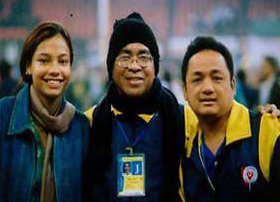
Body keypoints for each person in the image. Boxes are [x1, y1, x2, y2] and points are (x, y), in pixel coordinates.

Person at [85, 12, 184, 202]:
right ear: (110, 66)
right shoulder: (91, 121)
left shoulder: (182, 118)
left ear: (155, 66)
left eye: (144, 57)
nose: (134, 66)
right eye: (125, 56)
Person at [179, 36, 280, 202]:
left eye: (217, 78)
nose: (208, 88)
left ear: (233, 86)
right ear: (185, 91)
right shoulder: (184, 145)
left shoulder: (268, 132)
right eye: (197, 80)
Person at [0, 22, 89, 202]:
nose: (55, 70)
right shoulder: (4, 115)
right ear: (28, 66)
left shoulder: (81, 126)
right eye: (44, 60)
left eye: (63, 61)